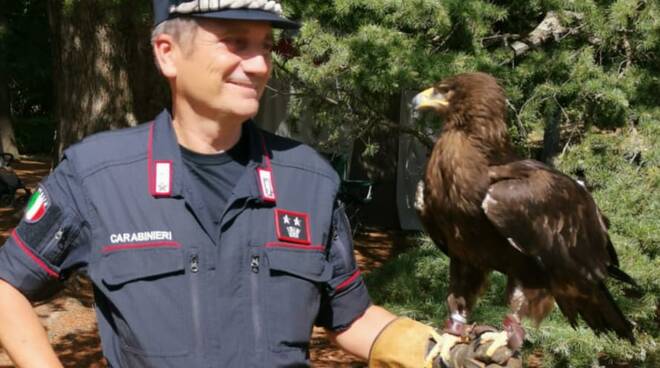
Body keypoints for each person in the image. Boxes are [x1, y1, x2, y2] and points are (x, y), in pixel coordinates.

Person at [0, 1, 517, 367]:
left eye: (266, 45)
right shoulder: (97, 173)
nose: (259, 64)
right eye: (235, 43)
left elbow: (348, 315)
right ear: (167, 53)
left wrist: (432, 352)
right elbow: (7, 287)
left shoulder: (308, 178)